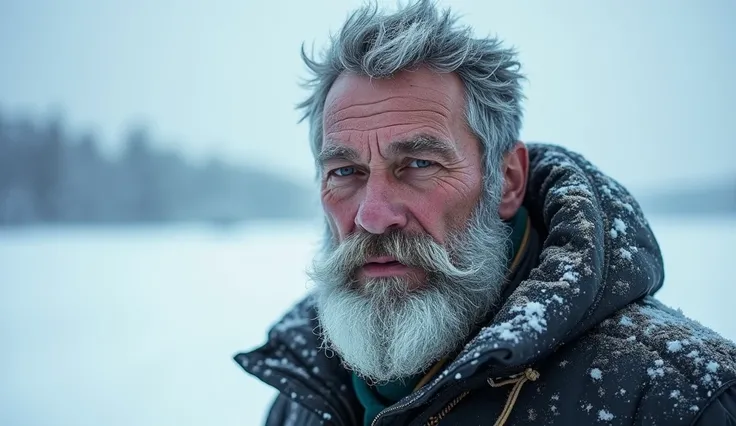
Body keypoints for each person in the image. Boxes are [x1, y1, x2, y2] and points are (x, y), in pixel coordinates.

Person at [234, 1, 736, 424]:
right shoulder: (308, 387)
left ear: (507, 181)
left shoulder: (671, 396)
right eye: (345, 172)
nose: (372, 215)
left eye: (418, 164)